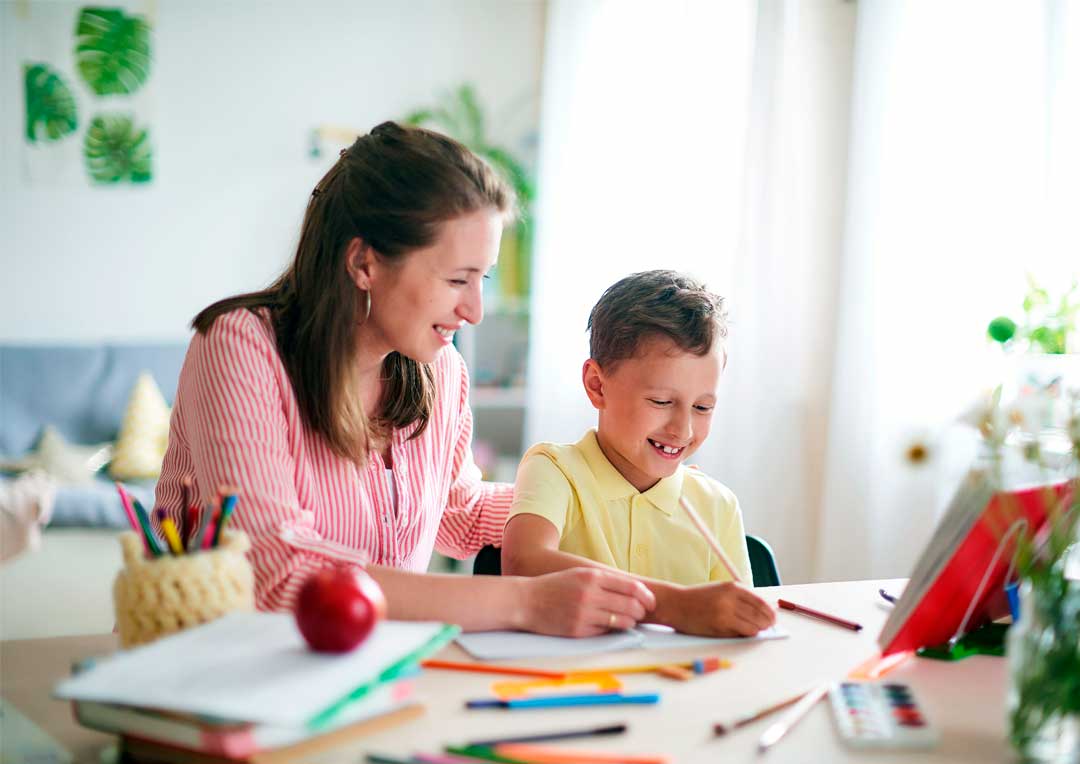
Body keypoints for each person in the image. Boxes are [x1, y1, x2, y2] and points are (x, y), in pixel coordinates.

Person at [155, 121, 655, 637]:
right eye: (457, 279)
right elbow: (274, 570)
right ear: (364, 263)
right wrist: (522, 602)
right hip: (233, 676)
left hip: (373, 669)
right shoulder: (240, 347)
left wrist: (597, 493)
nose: (475, 309)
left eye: (481, 279)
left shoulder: (439, 369)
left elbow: (459, 513)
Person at [501, 270, 776, 636]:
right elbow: (524, 562)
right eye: (662, 401)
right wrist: (674, 606)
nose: (683, 429)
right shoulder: (554, 469)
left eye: (703, 407)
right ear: (597, 386)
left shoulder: (718, 505)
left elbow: (735, 623)